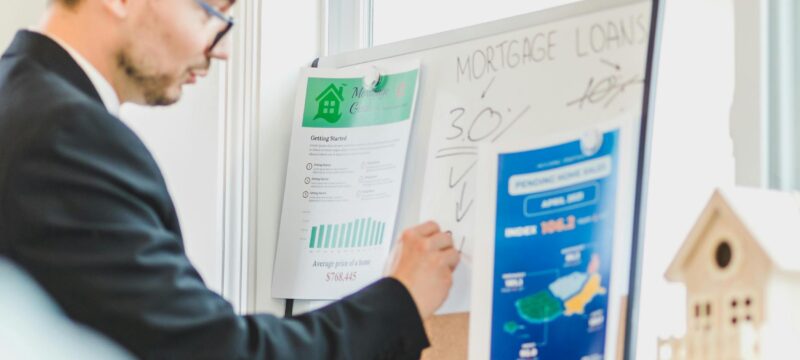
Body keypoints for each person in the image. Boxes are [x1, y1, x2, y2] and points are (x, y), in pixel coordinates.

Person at [0, 0, 460, 358]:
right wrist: (400, 299)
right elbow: (211, 352)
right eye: (212, 13)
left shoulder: (21, 100)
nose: (220, 48)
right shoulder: (66, 133)